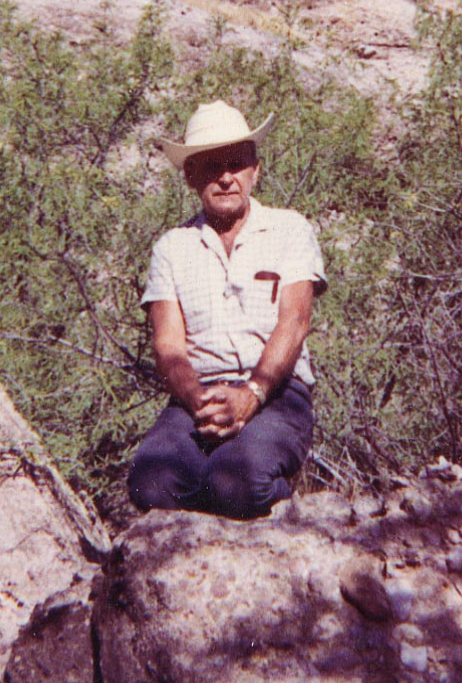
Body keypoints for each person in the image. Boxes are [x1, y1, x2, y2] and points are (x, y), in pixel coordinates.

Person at [128, 100, 325, 519]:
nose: (225, 177)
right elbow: (168, 346)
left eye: (236, 164)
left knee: (237, 481)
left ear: (255, 169)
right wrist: (199, 400)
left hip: (277, 392)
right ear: (191, 176)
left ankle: (282, 516)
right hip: (198, 395)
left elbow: (295, 321)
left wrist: (252, 394)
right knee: (151, 482)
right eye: (211, 166)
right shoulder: (171, 248)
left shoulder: (290, 229)